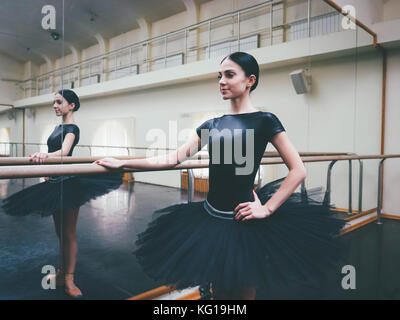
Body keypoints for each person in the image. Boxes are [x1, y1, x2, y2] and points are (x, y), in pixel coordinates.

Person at [96, 52, 348, 300]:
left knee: (242, 289)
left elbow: (298, 169)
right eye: (219, 76)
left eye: (229, 75)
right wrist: (123, 162)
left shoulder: (265, 121)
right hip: (210, 217)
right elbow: (173, 159)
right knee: (219, 288)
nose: (221, 81)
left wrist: (268, 209)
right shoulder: (212, 125)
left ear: (250, 80)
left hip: (244, 221)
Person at [2, 89, 123, 299]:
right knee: (60, 234)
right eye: (54, 102)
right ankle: (60, 272)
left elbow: (64, 152)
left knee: (68, 233)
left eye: (59, 102)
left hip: (69, 186)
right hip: (55, 182)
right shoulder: (59, 127)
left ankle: (69, 279)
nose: (54, 106)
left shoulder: (72, 128)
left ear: (71, 105)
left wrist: (45, 155)